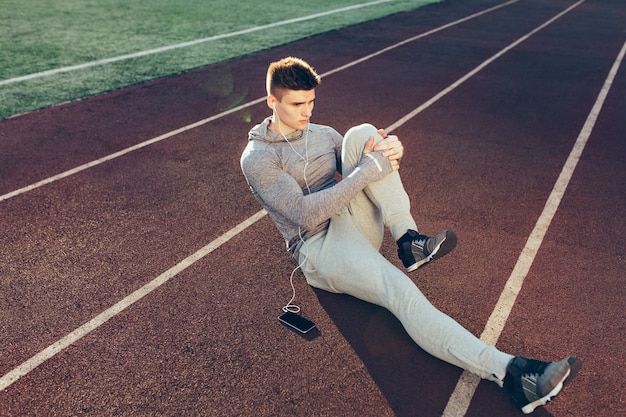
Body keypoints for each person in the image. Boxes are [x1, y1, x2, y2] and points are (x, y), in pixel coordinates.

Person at [240, 56, 581, 414]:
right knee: (401, 292)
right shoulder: (258, 157)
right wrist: (369, 170)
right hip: (319, 246)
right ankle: (513, 375)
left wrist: (390, 151)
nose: (306, 111)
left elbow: (372, 165)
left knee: (365, 134)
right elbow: (303, 213)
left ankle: (408, 240)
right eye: (297, 104)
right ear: (271, 102)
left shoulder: (323, 135)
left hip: (352, 222)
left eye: (311, 102)